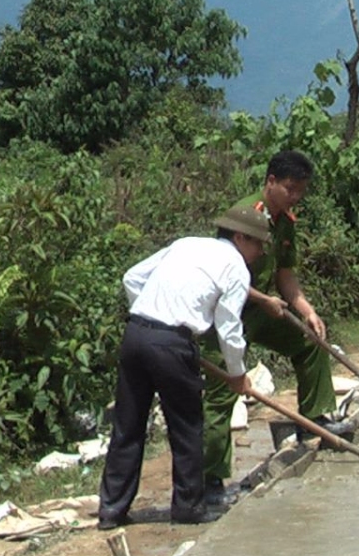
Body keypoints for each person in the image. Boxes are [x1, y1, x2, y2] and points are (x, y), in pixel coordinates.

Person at [97, 207, 270, 530]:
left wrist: (150, 316)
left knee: (127, 426)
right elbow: (229, 327)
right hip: (173, 345)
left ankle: (111, 511)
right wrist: (237, 374)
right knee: (188, 427)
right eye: (258, 244)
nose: (260, 253)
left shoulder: (186, 244)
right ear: (240, 237)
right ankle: (188, 507)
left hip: (135, 335)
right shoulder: (235, 268)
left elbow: (131, 277)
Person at [202, 151, 352, 507]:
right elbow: (225, 274)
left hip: (262, 309)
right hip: (228, 312)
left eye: (301, 190)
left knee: (309, 339)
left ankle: (315, 418)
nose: (295, 196)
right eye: (290, 188)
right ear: (270, 182)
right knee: (223, 395)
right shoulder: (242, 216)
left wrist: (307, 311)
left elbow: (285, 275)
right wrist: (262, 298)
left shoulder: (285, 222)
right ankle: (209, 482)